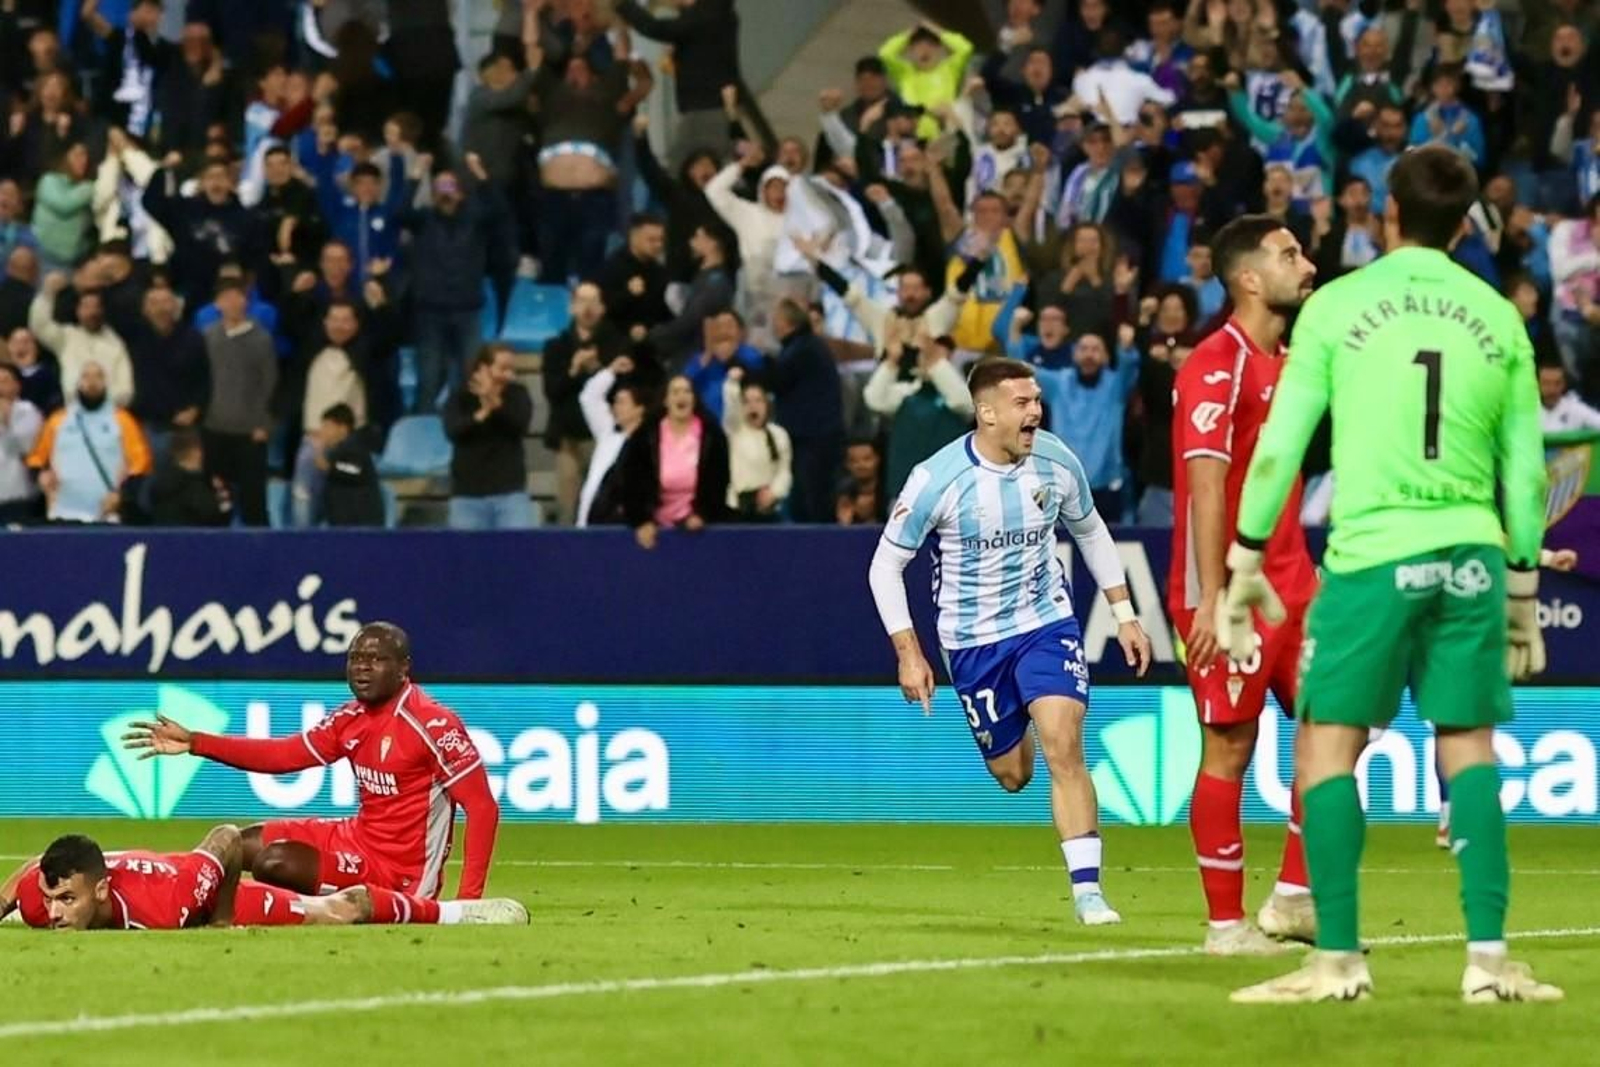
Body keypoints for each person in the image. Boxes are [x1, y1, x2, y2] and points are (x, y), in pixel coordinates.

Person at [1221, 147, 1561, 1004]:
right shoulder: (1498, 316)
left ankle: (1337, 958)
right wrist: (1522, 591)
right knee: (1469, 746)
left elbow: (1279, 448)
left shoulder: (1338, 306)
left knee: (1327, 743)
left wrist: (1245, 559)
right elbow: (1526, 477)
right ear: (1467, 222)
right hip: (1474, 551)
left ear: (1387, 215)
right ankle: (1489, 962)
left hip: (1374, 554)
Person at [867, 357, 1153, 926]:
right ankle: (1015, 712)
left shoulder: (1056, 460)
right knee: (1014, 776)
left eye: (1037, 401)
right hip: (972, 644)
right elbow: (884, 566)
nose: (1035, 412)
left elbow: (1090, 529)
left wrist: (1124, 613)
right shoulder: (937, 479)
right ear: (986, 412)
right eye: (1022, 404)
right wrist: (909, 651)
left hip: (1045, 622)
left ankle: (1089, 892)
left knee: (1063, 741)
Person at [1168, 216, 1321, 956]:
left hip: (1296, 579)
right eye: (1291, 253)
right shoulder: (1214, 362)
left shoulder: (1292, 361)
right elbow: (1206, 487)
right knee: (1229, 746)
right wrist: (1212, 597)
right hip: (1232, 588)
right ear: (1251, 278)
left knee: (1339, 725)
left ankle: (1293, 894)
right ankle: (1225, 927)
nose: (1308, 262)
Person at [123, 622, 502, 903]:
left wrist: (468, 903)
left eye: (376, 660)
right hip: (356, 837)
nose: (362, 668)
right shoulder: (350, 718)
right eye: (355, 659)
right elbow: (283, 755)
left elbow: (482, 807)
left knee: (276, 863)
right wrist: (196, 742)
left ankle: (297, 909)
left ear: (404, 668)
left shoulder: (433, 724)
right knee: (238, 844)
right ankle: (181, 900)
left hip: (399, 875)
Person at [0, 830, 526, 929]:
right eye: (52, 901)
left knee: (340, 912)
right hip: (187, 890)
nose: (54, 914)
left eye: (67, 900)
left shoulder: (173, 902)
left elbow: (226, 838)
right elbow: (27, 875)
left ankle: (462, 914)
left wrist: (223, 918)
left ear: (100, 890)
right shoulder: (37, 894)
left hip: (214, 897)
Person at [26, 361, 151, 524]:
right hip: (62, 512)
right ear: (77, 383)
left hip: (107, 514)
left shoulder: (123, 420)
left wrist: (123, 495)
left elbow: (141, 464)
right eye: (86, 376)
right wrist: (41, 475)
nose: (92, 382)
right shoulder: (57, 420)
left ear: (106, 383)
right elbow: (35, 458)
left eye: (98, 376)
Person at [616, 374, 730, 548]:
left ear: (694, 399)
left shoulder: (712, 436)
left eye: (687, 391)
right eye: (675, 392)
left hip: (699, 527)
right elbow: (631, 481)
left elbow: (719, 481)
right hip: (654, 528)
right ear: (665, 400)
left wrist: (702, 515)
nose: (681, 397)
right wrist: (641, 521)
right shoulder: (646, 435)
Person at [442, 344, 536, 531]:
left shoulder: (518, 394)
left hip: (510, 493)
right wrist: (483, 412)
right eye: (502, 369)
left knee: (518, 554)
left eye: (512, 370)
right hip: (467, 496)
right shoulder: (459, 397)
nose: (508, 375)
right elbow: (453, 431)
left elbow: (519, 425)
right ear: (483, 368)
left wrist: (494, 402)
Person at [576, 356, 646, 527]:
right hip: (589, 523)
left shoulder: (649, 442)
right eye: (615, 402)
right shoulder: (608, 435)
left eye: (622, 402)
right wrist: (610, 371)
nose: (615, 407)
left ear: (639, 408)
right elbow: (589, 397)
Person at [721, 369, 792, 522]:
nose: (753, 406)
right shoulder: (735, 430)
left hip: (768, 508)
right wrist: (732, 383)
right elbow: (731, 406)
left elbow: (784, 471)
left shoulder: (779, 435)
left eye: (758, 400)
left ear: (766, 404)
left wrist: (774, 492)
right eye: (747, 401)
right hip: (738, 508)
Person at [318, 403, 385, 528]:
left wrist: (329, 468)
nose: (322, 431)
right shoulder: (337, 451)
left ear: (343, 428)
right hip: (343, 526)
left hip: (360, 526)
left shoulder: (355, 447)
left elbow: (355, 470)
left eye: (327, 426)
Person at [147, 428, 231, 527]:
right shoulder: (195, 486)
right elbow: (214, 514)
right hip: (194, 539)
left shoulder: (160, 481)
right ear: (196, 452)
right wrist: (221, 492)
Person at [0, 360, 42, 523]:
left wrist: (7, 422)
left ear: (17, 386)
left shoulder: (28, 411)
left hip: (17, 496)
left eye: (5, 381)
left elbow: (26, 448)